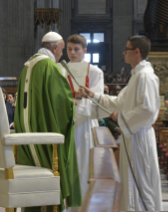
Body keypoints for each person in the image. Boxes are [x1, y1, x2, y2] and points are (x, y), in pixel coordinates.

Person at [78, 35, 162, 211]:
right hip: (132, 135)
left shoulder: (145, 76)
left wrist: (120, 118)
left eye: (127, 49)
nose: (124, 52)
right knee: (132, 180)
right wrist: (94, 95)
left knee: (141, 182)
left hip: (139, 136)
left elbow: (147, 110)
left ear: (136, 52)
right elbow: (119, 103)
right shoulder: (137, 76)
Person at [14, 32, 81, 211]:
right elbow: (63, 103)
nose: (62, 55)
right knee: (50, 170)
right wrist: (73, 105)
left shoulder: (27, 65)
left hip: (26, 135)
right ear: (55, 48)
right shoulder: (49, 66)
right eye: (61, 50)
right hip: (44, 135)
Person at [66, 34, 104, 206]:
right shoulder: (61, 70)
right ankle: (69, 204)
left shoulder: (95, 72)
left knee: (85, 166)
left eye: (76, 49)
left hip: (86, 125)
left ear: (85, 51)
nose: (72, 53)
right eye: (69, 49)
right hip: (67, 123)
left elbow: (98, 101)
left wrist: (82, 98)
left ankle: (85, 205)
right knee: (68, 165)